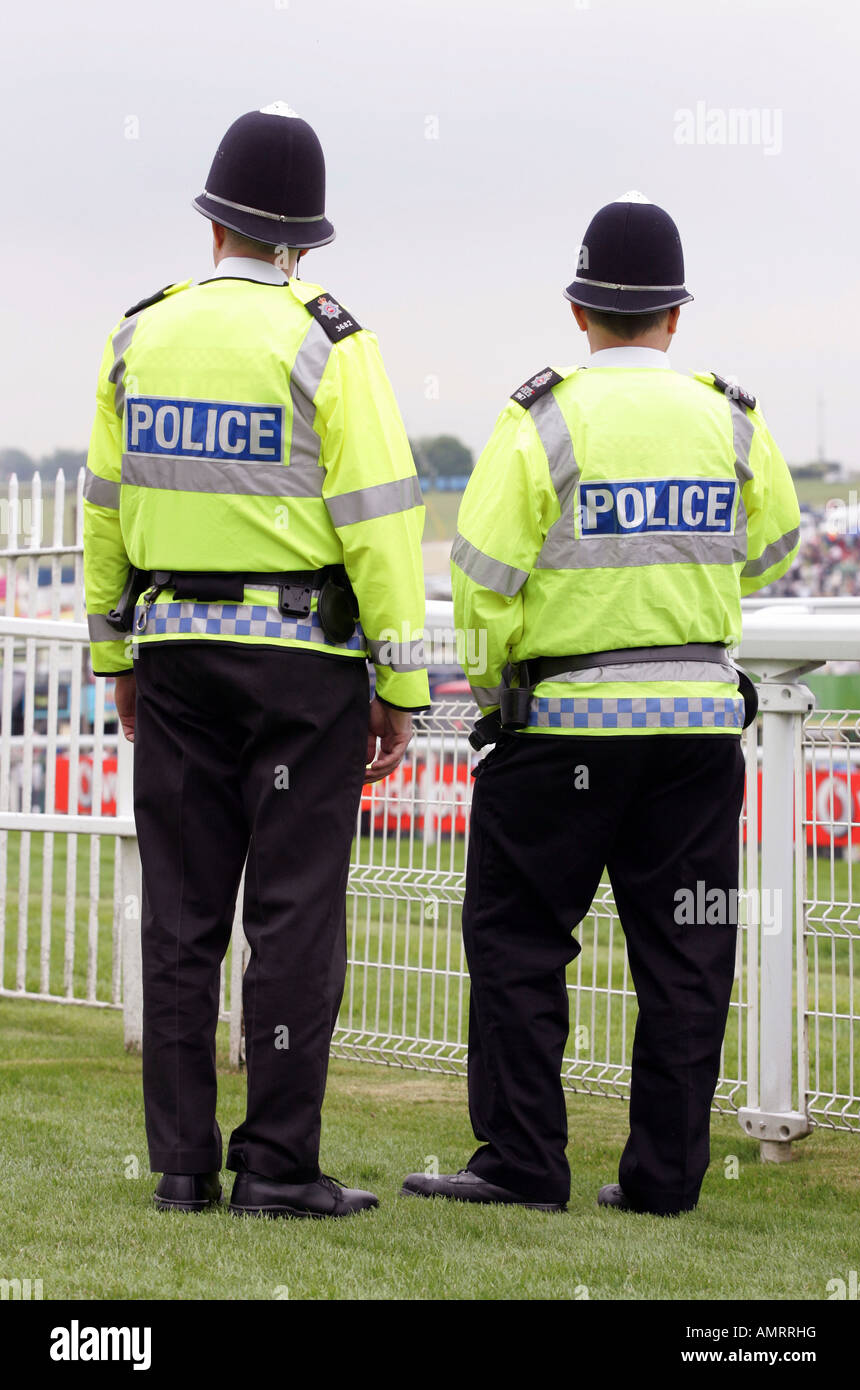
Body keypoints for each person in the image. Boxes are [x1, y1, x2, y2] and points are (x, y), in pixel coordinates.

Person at [402, 191, 800, 1215]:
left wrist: (498, 698)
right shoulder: (729, 415)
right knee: (683, 953)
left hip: (561, 729)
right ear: (675, 314)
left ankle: (525, 1162)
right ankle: (664, 1179)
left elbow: (480, 578)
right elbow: (772, 549)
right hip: (696, 732)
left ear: (579, 311)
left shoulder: (539, 418)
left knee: (517, 942)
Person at [83, 103, 429, 1219]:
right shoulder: (332, 342)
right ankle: (277, 1166)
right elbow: (380, 526)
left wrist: (112, 654)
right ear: (300, 244)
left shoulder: (139, 334)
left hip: (174, 654)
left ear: (214, 223)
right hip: (304, 669)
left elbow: (103, 512)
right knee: (290, 921)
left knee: (180, 920)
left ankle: (181, 1167)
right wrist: (401, 684)